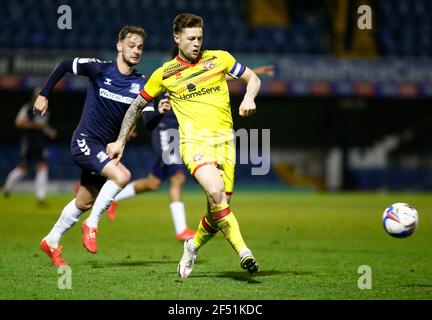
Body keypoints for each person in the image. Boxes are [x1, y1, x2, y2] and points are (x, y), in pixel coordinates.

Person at [107, 13, 261, 277]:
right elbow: (137, 106)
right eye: (191, 38)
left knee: (219, 210)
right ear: (177, 38)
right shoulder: (164, 74)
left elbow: (253, 78)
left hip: (225, 144)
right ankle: (244, 252)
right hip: (193, 144)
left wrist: (249, 98)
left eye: (200, 37)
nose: (196, 43)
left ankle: (192, 245)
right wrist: (121, 139)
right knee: (215, 193)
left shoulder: (220, 58)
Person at [108, 64, 274, 243]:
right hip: (165, 132)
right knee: (177, 178)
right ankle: (181, 229)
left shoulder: (196, 75)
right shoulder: (166, 77)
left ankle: (112, 198)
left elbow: (222, 77)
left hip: (182, 134)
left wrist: (255, 72)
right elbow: (141, 104)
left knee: (153, 183)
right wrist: (129, 129)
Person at [34, 26, 148, 266]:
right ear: (119, 46)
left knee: (84, 201)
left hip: (105, 150)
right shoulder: (100, 69)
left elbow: (150, 119)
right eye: (131, 45)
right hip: (85, 141)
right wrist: (44, 94)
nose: (136, 50)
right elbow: (65, 64)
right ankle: (92, 224)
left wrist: (160, 111)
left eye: (140, 47)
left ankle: (51, 241)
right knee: (123, 175)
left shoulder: (141, 84)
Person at [2, 87, 57, 206]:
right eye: (39, 95)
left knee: (42, 167)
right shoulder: (27, 108)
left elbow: (43, 126)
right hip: (29, 142)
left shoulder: (46, 111)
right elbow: (19, 122)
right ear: (33, 97)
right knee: (23, 169)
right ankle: (7, 188)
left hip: (40, 143)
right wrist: (35, 125)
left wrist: (49, 131)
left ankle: (40, 198)